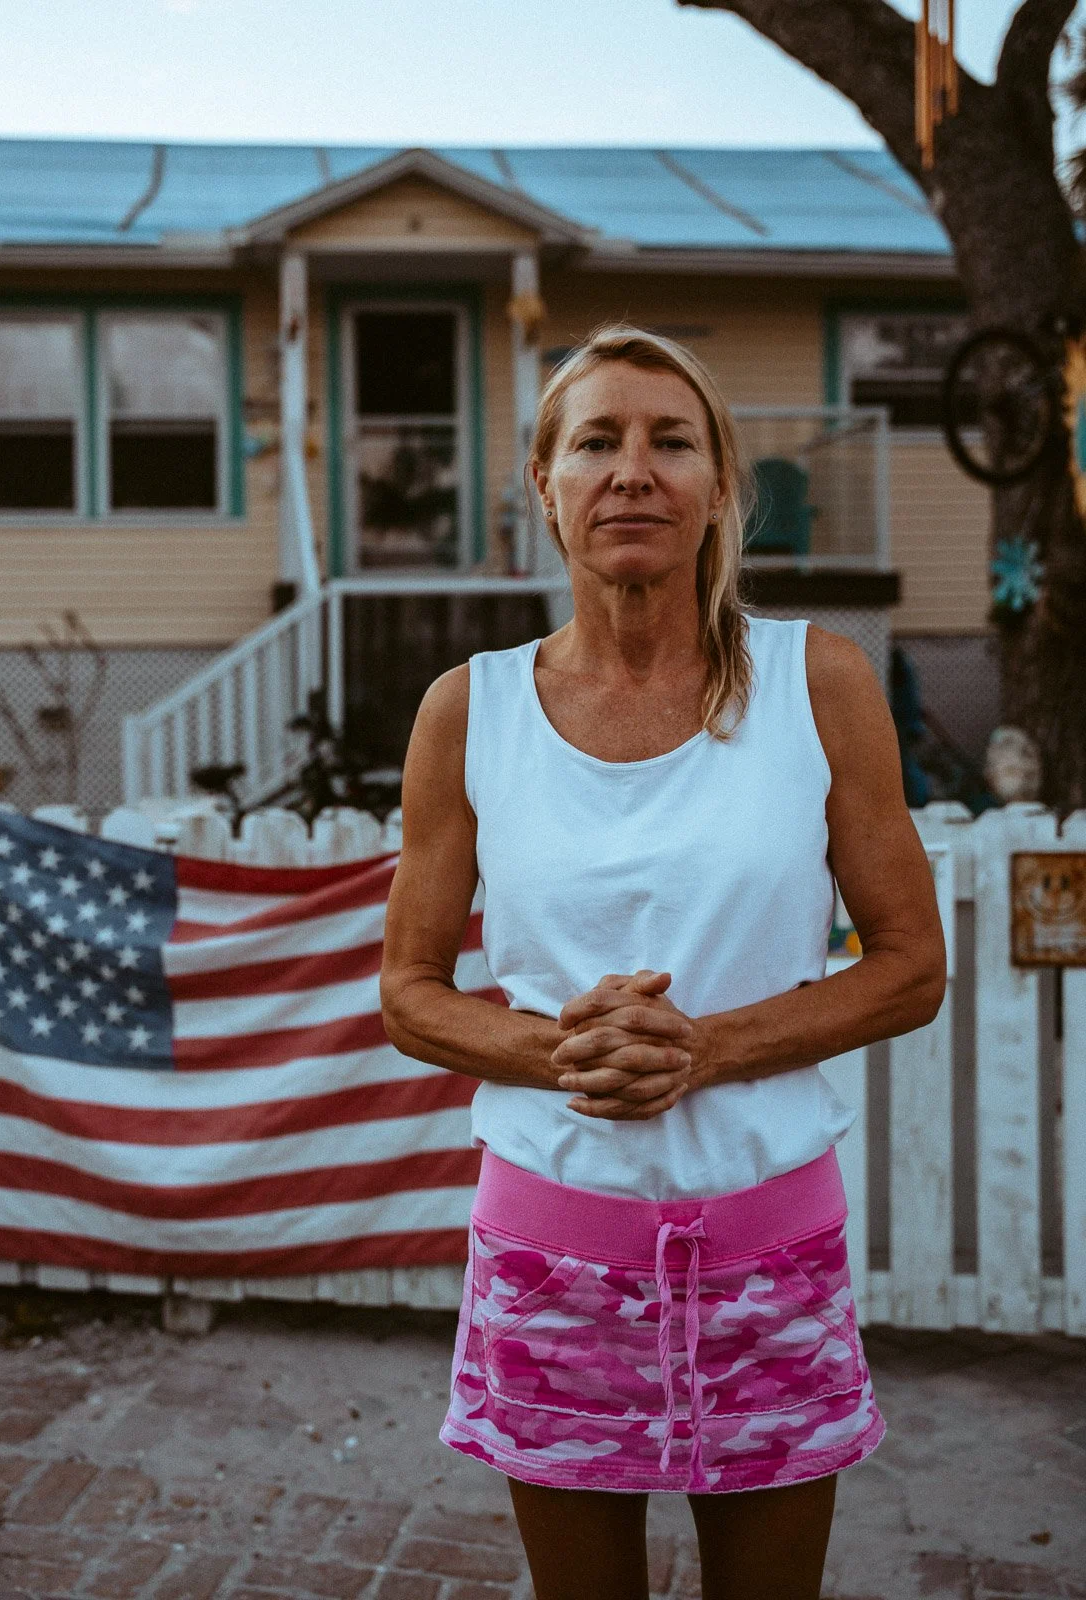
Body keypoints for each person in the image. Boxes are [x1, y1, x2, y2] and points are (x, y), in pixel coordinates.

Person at [379, 325, 946, 1600]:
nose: (631, 470)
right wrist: (561, 1048)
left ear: (716, 489)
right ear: (544, 485)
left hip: (769, 1250)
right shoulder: (469, 711)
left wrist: (708, 1048)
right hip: (548, 1253)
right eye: (595, 440)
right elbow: (407, 993)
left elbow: (911, 965)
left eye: (668, 440)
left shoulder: (821, 684)